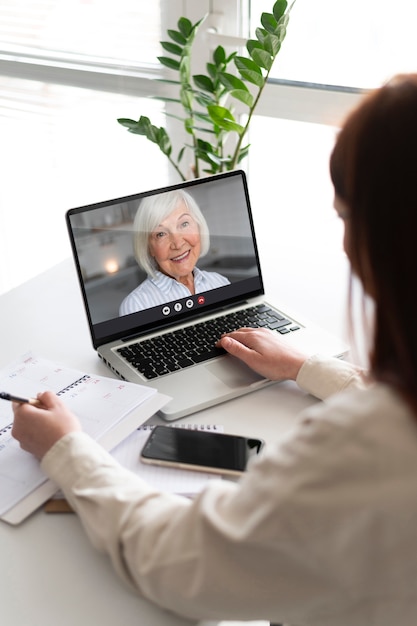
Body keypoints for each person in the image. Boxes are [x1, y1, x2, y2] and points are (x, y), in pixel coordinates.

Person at [12, 74, 417, 625]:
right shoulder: (139, 301)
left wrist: (66, 449)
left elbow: (181, 562)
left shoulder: (360, 450)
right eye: (161, 232)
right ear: (146, 245)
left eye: (345, 217)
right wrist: (306, 366)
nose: (177, 240)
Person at [119, 189, 230, 315]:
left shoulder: (220, 282)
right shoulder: (136, 305)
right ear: (149, 248)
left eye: (184, 224)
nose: (177, 244)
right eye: (161, 234)